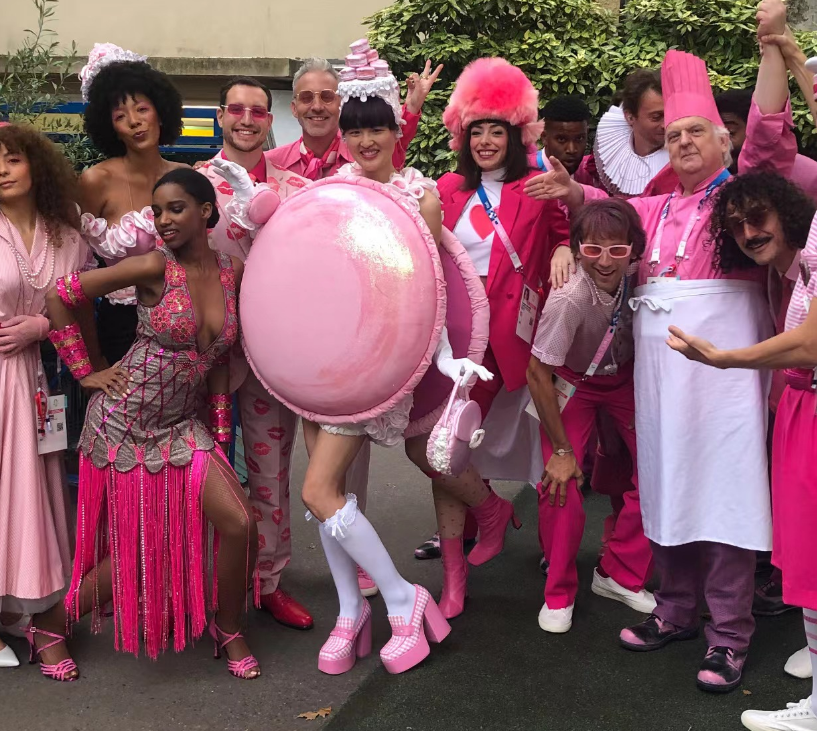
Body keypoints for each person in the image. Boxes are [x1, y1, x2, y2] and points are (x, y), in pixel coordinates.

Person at [526, 0, 797, 692]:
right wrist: (572, 196)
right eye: (672, 134)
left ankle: (728, 635)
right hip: (657, 382)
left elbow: (769, 137)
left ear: (723, 141)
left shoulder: (738, 201)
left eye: (695, 132)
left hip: (725, 382)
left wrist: (771, 47)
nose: (681, 142)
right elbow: (605, 217)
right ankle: (674, 611)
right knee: (665, 490)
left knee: (726, 499)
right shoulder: (653, 207)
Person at [291, 45, 489, 676]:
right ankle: (351, 612)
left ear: (396, 129)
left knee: (319, 489)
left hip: (380, 363)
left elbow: (429, 290)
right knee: (332, 494)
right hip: (326, 360)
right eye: (355, 130)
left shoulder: (419, 194)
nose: (365, 140)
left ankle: (403, 599)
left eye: (377, 127)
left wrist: (447, 358)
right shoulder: (330, 191)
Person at [30, 169, 260, 682]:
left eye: (176, 208)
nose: (163, 220)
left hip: (182, 425)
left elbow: (219, 359)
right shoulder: (155, 265)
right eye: (157, 211)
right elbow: (59, 294)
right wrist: (86, 372)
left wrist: (222, 434)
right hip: (122, 425)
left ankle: (228, 627)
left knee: (240, 522)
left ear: (206, 211)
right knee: (140, 551)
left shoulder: (233, 270)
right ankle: (50, 624)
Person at [407, 57, 569, 620]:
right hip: (453, 343)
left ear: (515, 134)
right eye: (476, 131)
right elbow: (388, 181)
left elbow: (568, 226)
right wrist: (409, 113)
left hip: (514, 341)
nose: (485, 141)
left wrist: (566, 247)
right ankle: (457, 571)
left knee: (546, 445)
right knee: (441, 446)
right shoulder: (445, 189)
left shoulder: (537, 185)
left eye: (496, 130)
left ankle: (557, 557)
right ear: (462, 135)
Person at [666, 208, 817, 731]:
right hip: (801, 397)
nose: (747, 232)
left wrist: (725, 357)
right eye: (737, 223)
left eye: (756, 218)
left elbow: (811, 341)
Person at [197, 76, 340, 629]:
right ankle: (198, 582)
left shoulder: (297, 189)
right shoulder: (193, 183)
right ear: (220, 116)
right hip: (203, 356)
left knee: (271, 473)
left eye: (258, 111)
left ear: (270, 120)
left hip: (272, 356)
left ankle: (268, 581)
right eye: (236, 109)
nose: (247, 119)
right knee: (198, 474)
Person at [527, 199, 655, 633]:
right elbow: (537, 373)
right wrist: (563, 451)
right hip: (572, 383)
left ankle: (619, 571)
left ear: (634, 251)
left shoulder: (641, 278)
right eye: (592, 249)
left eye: (617, 250)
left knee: (662, 469)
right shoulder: (570, 297)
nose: (604, 261)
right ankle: (558, 591)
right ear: (578, 248)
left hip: (623, 381)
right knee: (560, 482)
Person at [0, 124, 98, 671]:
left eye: (12, 158)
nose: (2, 170)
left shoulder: (66, 234)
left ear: (35, 164)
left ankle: (31, 614)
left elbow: (79, 302)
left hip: (39, 380)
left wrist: (42, 325)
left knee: (33, 494)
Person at [77, 43, 187, 364]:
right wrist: (92, 361)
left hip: (185, 320)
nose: (134, 122)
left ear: (160, 111)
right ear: (110, 127)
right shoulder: (96, 180)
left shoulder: (186, 177)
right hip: (121, 327)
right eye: (120, 116)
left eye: (142, 109)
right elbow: (76, 273)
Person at [267, 54, 439, 179]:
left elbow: (394, 139)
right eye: (306, 97)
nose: (317, 106)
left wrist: (412, 109)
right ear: (294, 108)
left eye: (327, 97)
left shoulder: (367, 154)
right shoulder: (270, 164)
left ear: (341, 104)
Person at [716, 87, 817, 200]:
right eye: (716, 135)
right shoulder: (712, 176)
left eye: (730, 132)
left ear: (757, 131)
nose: (722, 144)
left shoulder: (809, 175)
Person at [591, 69, 678, 198]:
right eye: (656, 117)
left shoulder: (685, 162)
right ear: (630, 117)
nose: (666, 125)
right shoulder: (603, 161)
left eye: (671, 115)